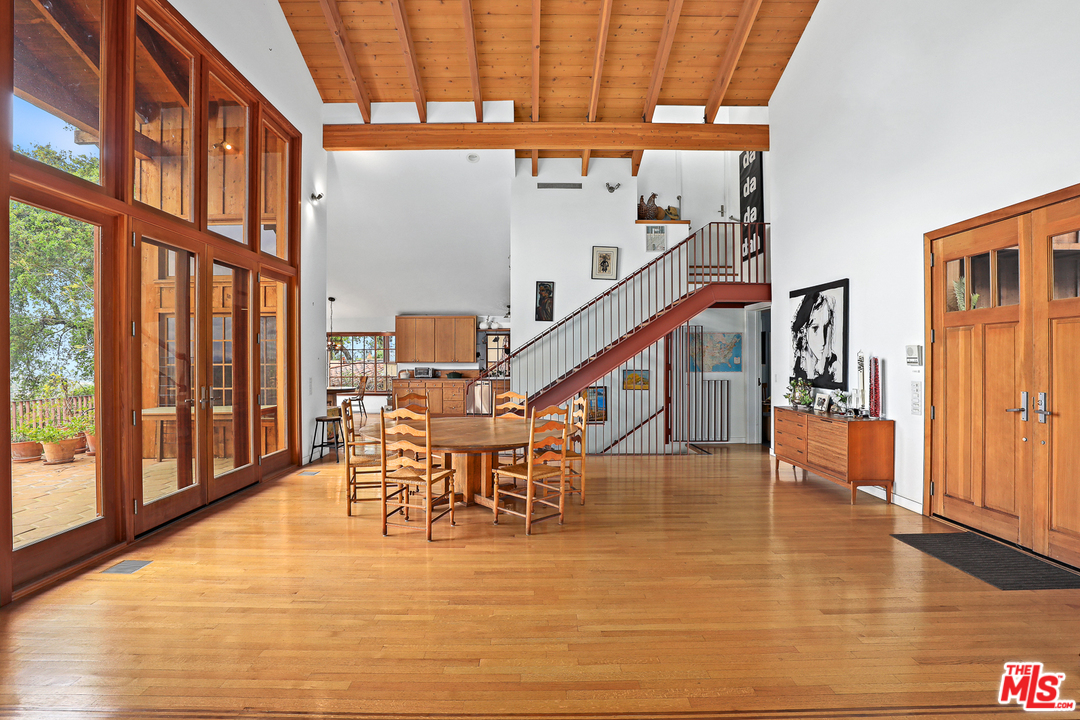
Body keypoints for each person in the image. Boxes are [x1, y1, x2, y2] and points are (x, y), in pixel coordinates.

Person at [792, 291, 838, 383]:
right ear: (804, 331)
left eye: (826, 327)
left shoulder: (833, 367)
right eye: (815, 328)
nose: (823, 340)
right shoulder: (798, 370)